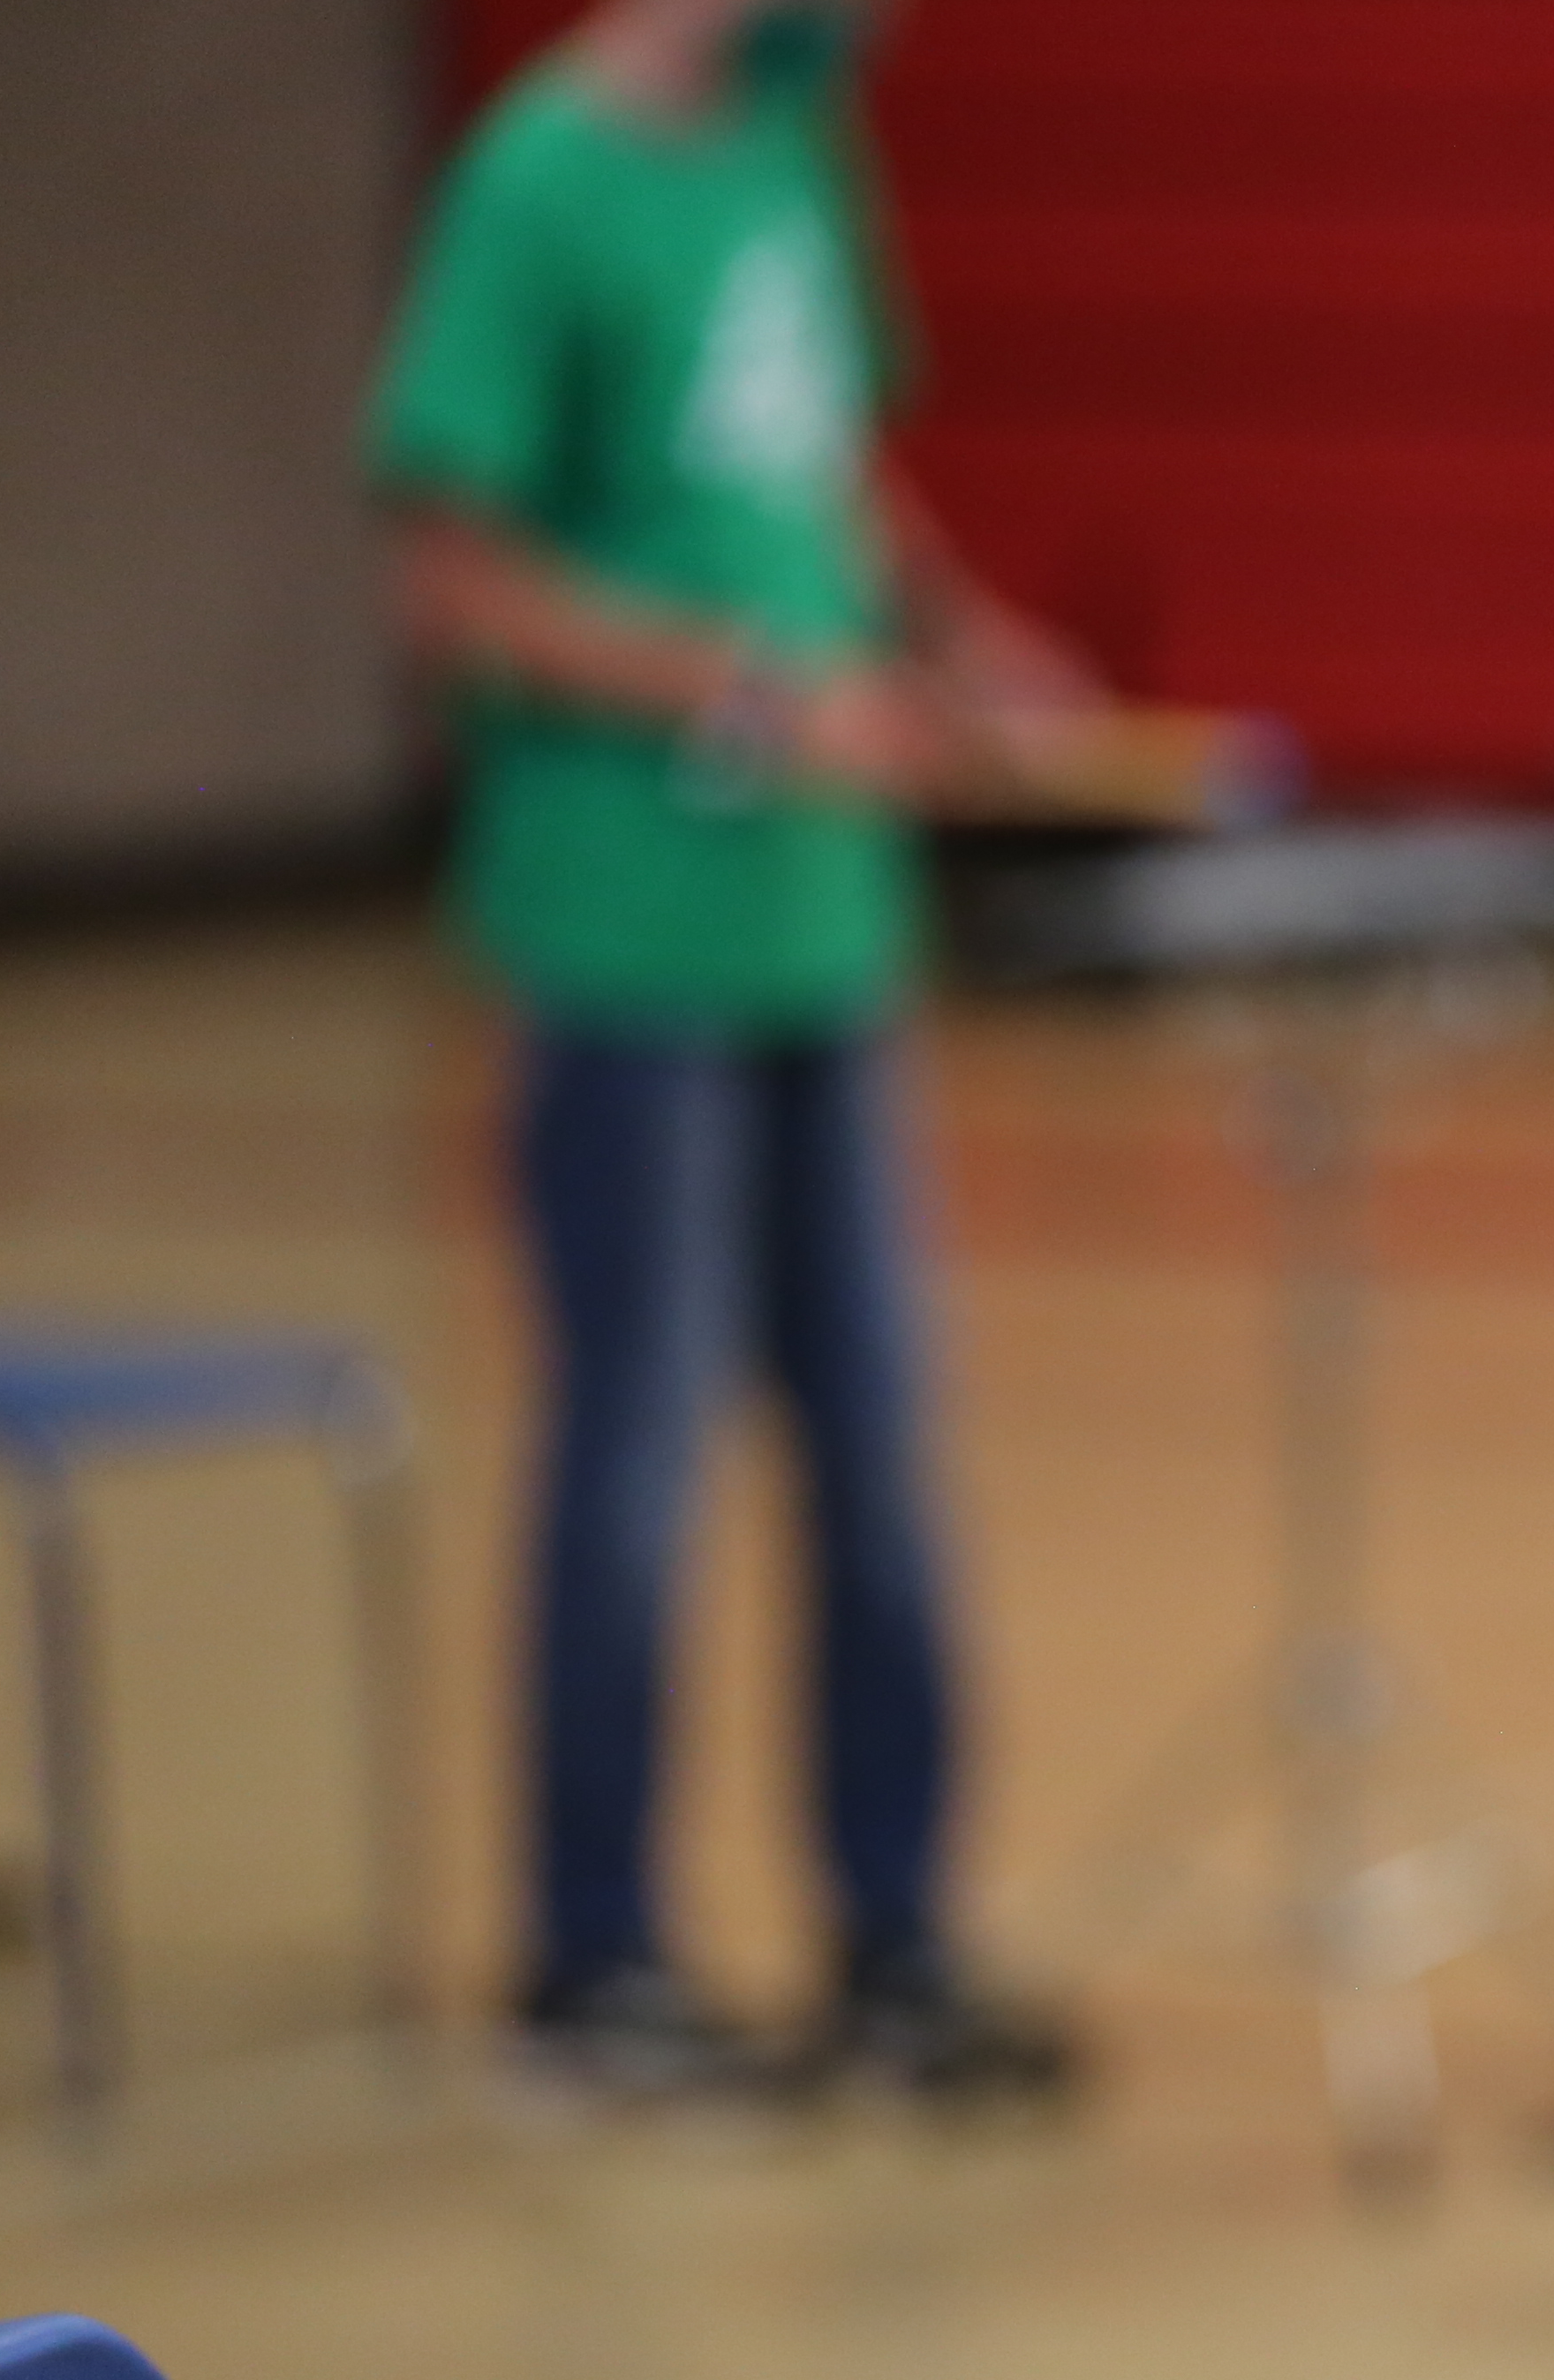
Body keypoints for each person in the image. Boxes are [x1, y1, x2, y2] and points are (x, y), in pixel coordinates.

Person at [368, 0, 1077, 2100]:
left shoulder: (797, 123)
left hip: (820, 933)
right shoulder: (536, 183)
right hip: (621, 933)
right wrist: (751, 697)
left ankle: (895, 1937)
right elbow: (455, 581)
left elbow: (824, 458)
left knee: (879, 1450)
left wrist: (956, 639)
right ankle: (594, 1967)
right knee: (640, 1448)